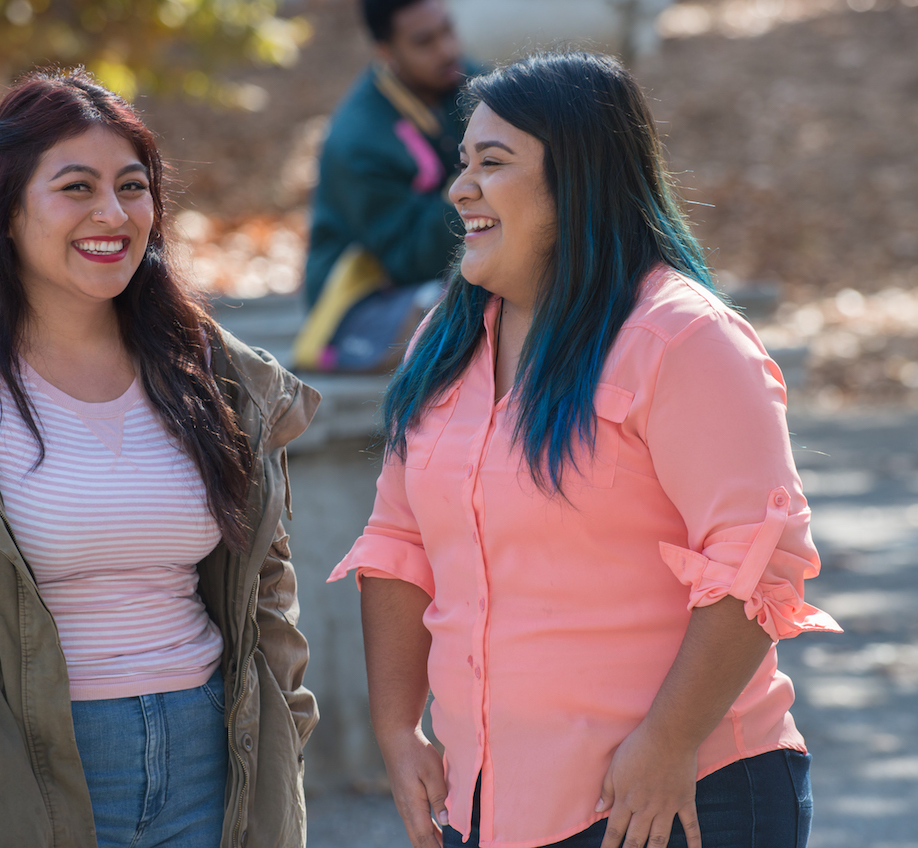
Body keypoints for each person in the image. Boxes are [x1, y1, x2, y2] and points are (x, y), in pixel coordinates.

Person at [329, 52, 840, 848]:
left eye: (492, 165)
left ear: (580, 181)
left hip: (672, 798)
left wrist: (665, 746)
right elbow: (397, 546)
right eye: (462, 163)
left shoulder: (685, 338)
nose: (460, 188)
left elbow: (758, 563)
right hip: (486, 807)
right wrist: (398, 730)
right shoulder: (443, 341)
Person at [0, 70, 319, 848]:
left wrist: (286, 722)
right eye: (76, 186)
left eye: (133, 186)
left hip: (214, 754)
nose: (112, 213)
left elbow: (267, 575)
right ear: (6, 210)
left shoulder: (214, 372)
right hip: (27, 772)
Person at [294, 0, 471, 373]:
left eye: (448, 30)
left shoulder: (469, 82)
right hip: (367, 296)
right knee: (463, 302)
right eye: (425, 41)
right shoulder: (358, 141)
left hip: (451, 270)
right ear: (386, 53)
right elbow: (409, 259)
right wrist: (473, 185)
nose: (447, 50)